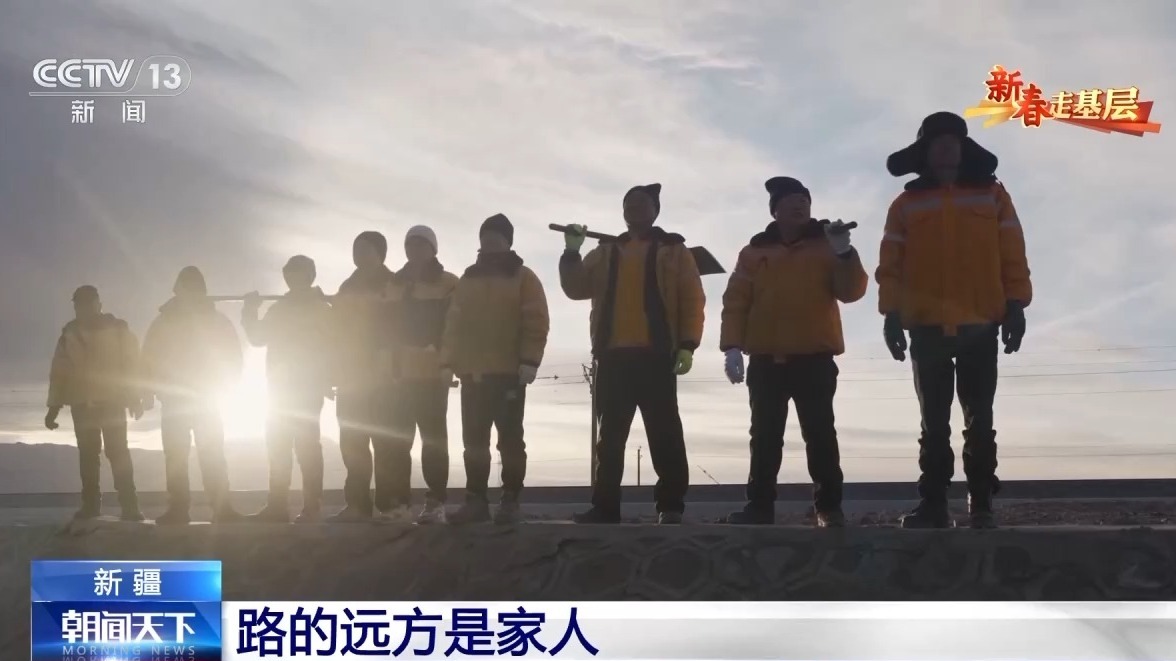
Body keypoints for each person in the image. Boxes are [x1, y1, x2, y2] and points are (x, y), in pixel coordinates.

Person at [877, 111, 1032, 529]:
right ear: (924, 152)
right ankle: (933, 504)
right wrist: (891, 314)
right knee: (933, 423)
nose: (946, 146)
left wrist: (1016, 304)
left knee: (980, 419)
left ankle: (981, 504)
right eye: (937, 141)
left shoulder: (993, 196)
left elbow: (1012, 251)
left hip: (981, 324)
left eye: (953, 140)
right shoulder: (905, 205)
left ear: (964, 149)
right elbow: (890, 266)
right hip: (926, 326)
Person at [718, 177, 868, 527]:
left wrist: (844, 252)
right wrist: (732, 346)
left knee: (820, 434)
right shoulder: (754, 252)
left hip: (814, 359)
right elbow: (736, 302)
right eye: (791, 200)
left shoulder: (827, 244)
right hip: (766, 360)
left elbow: (851, 292)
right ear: (775, 210)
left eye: (805, 200)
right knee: (764, 437)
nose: (800, 205)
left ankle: (829, 508)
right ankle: (759, 507)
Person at [560, 183, 705, 525]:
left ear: (656, 210)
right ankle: (605, 507)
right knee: (609, 438)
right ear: (622, 211)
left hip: (657, 356)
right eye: (629, 203)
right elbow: (576, 288)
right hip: (612, 357)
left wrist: (687, 344)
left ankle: (671, 505)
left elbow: (692, 298)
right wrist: (571, 253)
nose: (635, 208)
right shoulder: (606, 251)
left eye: (643, 203)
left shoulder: (674, 250)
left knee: (665, 433)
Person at [441, 213, 550, 525]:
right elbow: (453, 325)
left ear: (508, 241)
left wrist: (529, 361)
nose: (490, 241)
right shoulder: (467, 280)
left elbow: (536, 321)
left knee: (510, 441)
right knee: (474, 442)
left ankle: (510, 500)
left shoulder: (524, 277)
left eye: (497, 237)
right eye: (485, 237)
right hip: (473, 375)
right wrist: (447, 362)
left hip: (510, 375)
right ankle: (475, 501)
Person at [141, 266, 244, 525]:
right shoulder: (164, 322)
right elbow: (149, 357)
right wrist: (147, 390)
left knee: (211, 454)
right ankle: (179, 508)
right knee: (177, 456)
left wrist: (228, 385)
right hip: (177, 399)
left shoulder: (216, 321)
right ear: (179, 290)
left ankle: (221, 508)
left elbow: (233, 357)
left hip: (206, 398)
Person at [241, 255, 333, 524]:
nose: (292, 278)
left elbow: (333, 346)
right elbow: (258, 338)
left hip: (308, 388)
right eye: (289, 273)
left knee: (307, 448)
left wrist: (328, 379)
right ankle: (277, 506)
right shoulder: (279, 309)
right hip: (278, 390)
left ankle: (312, 507)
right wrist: (250, 310)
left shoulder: (321, 309)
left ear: (309, 276)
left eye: (297, 273)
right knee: (278, 447)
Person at [45, 285, 145, 521]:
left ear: (98, 304)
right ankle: (93, 506)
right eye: (79, 304)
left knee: (116, 453)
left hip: (112, 402)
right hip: (84, 403)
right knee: (90, 455)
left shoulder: (118, 330)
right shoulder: (69, 335)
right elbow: (59, 372)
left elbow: (133, 365)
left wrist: (135, 397)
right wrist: (53, 407)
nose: (82, 308)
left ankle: (129, 506)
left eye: (86, 303)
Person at [383, 226, 459, 524]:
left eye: (421, 245)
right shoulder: (393, 284)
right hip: (399, 376)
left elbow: (455, 327)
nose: (414, 250)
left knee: (433, 441)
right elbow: (383, 330)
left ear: (433, 249)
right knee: (398, 443)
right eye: (410, 245)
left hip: (432, 375)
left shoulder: (448, 283)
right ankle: (400, 504)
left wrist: (447, 362)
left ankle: (436, 502)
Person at [330, 231, 398, 521]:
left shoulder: (393, 284)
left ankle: (388, 505)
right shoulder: (346, 288)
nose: (359, 254)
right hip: (350, 377)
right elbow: (335, 332)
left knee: (385, 444)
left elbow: (398, 327)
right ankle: (357, 504)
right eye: (356, 249)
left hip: (384, 378)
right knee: (352, 443)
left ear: (380, 253)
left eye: (366, 249)